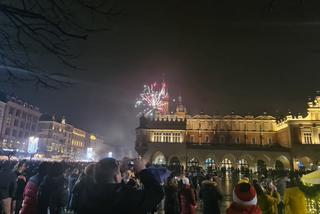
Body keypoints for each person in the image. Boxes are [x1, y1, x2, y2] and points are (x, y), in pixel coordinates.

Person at [76, 157, 164, 214]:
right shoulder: (128, 198)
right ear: (116, 177)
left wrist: (119, 170)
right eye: (119, 173)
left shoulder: (85, 193)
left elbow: (113, 188)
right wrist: (142, 171)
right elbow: (157, 193)